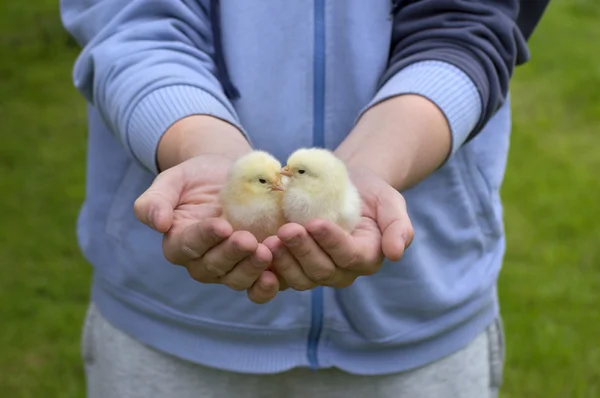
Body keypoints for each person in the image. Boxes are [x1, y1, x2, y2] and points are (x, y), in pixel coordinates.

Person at [60, 0, 549, 397]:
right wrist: (200, 146)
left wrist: (381, 161)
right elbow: (132, 23)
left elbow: (466, 22)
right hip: (166, 333)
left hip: (418, 332)